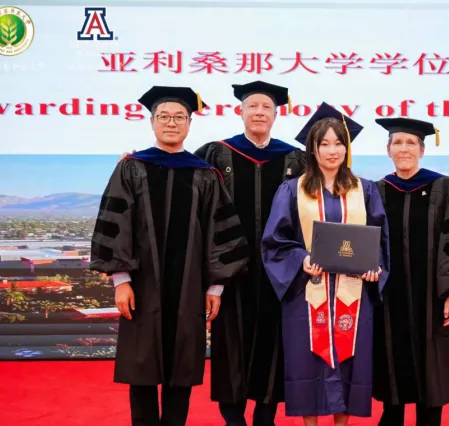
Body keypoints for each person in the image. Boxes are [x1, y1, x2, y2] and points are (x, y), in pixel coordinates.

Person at [90, 86, 249, 426]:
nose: (172, 123)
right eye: (164, 116)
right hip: (141, 287)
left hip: (190, 288)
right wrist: (121, 281)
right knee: (142, 369)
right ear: (152, 122)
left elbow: (219, 232)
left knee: (181, 370)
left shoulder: (205, 174)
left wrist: (215, 288)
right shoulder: (131, 168)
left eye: (180, 117)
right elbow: (117, 224)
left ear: (190, 124)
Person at [261, 103, 390, 426]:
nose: (332, 150)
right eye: (325, 144)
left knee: (350, 363)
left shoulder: (366, 190)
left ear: (347, 148)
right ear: (313, 149)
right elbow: (274, 241)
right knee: (307, 363)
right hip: (307, 294)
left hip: (353, 295)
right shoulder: (292, 190)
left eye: (338, 143)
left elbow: (381, 241)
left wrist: (375, 266)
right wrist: (301, 259)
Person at [371, 117, 449, 426]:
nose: (404, 148)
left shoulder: (446, 188)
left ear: (422, 150)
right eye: (397, 143)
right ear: (388, 149)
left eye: (410, 143)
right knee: (393, 388)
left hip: (434, 300)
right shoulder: (376, 192)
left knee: (431, 389)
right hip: (390, 303)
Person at [194, 81, 306, 426]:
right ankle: (233, 417)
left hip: (280, 271)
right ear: (240, 111)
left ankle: (265, 414)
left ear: (276, 114)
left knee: (274, 341)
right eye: (253, 106)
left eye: (266, 108)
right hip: (231, 268)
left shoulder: (294, 158)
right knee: (231, 341)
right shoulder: (214, 154)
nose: (259, 112)